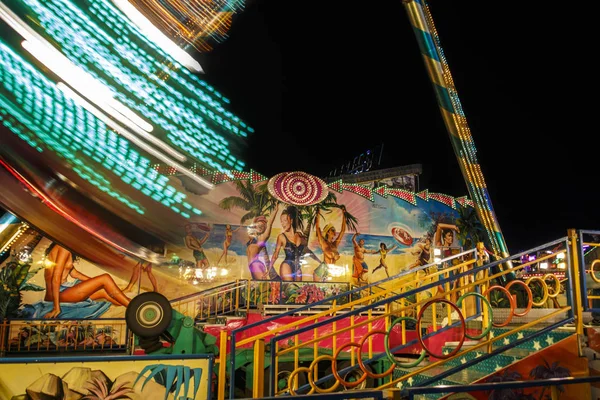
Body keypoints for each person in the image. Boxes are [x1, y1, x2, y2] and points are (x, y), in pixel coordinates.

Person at [43, 243, 131, 319]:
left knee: (103, 291)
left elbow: (75, 274)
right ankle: (134, 307)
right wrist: (56, 307)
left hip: (63, 292)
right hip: (58, 294)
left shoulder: (63, 249)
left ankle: (132, 303)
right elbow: (55, 278)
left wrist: (97, 284)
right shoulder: (63, 248)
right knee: (105, 278)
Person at [247, 203, 280, 280]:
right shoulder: (252, 237)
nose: (260, 227)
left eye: (262, 226)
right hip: (252, 266)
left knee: (263, 286)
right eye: (258, 225)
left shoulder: (263, 237)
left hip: (256, 265)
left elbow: (270, 223)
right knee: (259, 287)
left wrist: (275, 211)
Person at [271, 206, 303, 281]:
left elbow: (306, 250)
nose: (283, 223)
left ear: (291, 221)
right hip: (286, 265)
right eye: (281, 221)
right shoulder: (281, 237)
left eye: (285, 220)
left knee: (298, 290)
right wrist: (268, 270)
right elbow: (275, 254)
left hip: (298, 268)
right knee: (290, 288)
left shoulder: (299, 235)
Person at [314, 206, 347, 281]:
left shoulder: (335, 244)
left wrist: (344, 214)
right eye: (332, 230)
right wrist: (318, 213)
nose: (334, 231)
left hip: (330, 270)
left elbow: (342, 231)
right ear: (328, 232)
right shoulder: (323, 243)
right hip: (321, 271)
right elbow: (317, 227)